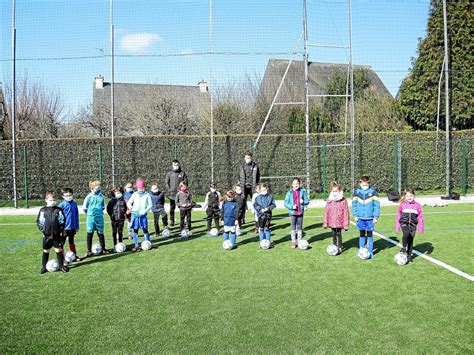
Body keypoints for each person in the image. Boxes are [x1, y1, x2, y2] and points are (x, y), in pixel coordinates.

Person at [37, 192, 68, 273]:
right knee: (46, 250)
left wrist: (60, 231)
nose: (52, 201)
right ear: (46, 200)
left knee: (58, 250)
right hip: (46, 235)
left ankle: (61, 266)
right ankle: (44, 267)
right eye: (51, 200)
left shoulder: (58, 210)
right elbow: (39, 222)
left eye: (54, 200)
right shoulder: (43, 210)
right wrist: (43, 230)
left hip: (56, 235)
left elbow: (62, 221)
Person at [352, 176, 380, 259]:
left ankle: (370, 252)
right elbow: (354, 205)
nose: (365, 186)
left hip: (370, 218)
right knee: (362, 234)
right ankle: (361, 250)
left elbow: (377, 205)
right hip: (360, 218)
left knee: (370, 235)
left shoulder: (373, 192)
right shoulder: (356, 192)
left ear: (369, 184)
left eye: (366, 185)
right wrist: (355, 215)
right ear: (360, 184)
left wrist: (375, 217)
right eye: (363, 185)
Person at [395, 188, 424, 263]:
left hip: (413, 225)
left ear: (414, 196)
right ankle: (403, 247)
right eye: (407, 196)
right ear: (404, 196)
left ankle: (409, 256)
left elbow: (420, 217)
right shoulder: (402, 204)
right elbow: (398, 215)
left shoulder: (417, 205)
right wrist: (397, 226)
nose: (409, 197)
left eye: (411, 196)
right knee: (406, 233)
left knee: (411, 240)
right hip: (404, 223)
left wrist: (420, 227)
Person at [323, 182, 350, 254]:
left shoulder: (343, 200)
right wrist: (325, 223)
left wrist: (346, 225)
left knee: (338, 233)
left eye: (336, 191)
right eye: (333, 191)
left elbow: (346, 212)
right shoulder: (329, 200)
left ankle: (339, 246)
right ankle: (334, 246)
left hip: (339, 222)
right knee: (333, 233)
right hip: (332, 222)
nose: (335, 193)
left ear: (339, 190)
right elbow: (326, 212)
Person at [284, 177, 310, 249]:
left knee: (299, 227)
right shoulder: (289, 193)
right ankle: (293, 241)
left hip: (300, 212)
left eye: (297, 183)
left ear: (299, 184)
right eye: (294, 184)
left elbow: (307, 201)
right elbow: (286, 203)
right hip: (292, 213)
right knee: (293, 227)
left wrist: (303, 202)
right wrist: (292, 207)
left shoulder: (303, 191)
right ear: (292, 184)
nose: (295, 185)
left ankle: (299, 241)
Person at [127, 178, 152, 251]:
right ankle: (136, 245)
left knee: (145, 229)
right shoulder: (134, 194)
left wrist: (145, 211)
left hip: (143, 215)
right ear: (137, 188)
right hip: (135, 215)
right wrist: (130, 207)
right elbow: (129, 202)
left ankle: (147, 242)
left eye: (142, 188)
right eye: (139, 188)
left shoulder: (147, 195)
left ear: (144, 187)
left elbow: (150, 205)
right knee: (135, 230)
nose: (140, 189)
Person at [83, 180, 107, 256]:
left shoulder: (102, 196)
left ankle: (103, 249)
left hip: (99, 217)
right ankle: (89, 250)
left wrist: (98, 213)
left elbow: (103, 207)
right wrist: (91, 213)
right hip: (91, 217)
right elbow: (85, 208)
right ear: (92, 188)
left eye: (99, 188)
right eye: (96, 188)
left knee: (100, 232)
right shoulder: (88, 197)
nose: (98, 189)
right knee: (90, 232)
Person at [58, 187, 81, 261]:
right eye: (66, 195)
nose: (69, 197)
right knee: (62, 243)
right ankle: (62, 259)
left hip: (72, 227)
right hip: (64, 228)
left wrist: (77, 226)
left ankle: (73, 255)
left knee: (72, 241)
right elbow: (58, 218)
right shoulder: (61, 205)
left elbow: (76, 215)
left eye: (70, 195)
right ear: (63, 196)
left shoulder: (74, 203)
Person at [165, 160, 188, 227]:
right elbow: (166, 182)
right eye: (174, 165)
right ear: (172, 165)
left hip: (181, 195)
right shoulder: (169, 173)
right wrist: (169, 190)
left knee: (182, 208)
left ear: (179, 165)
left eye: (177, 165)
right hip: (172, 195)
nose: (176, 166)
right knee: (172, 208)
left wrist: (183, 190)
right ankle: (172, 220)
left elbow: (186, 182)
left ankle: (182, 221)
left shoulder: (182, 173)